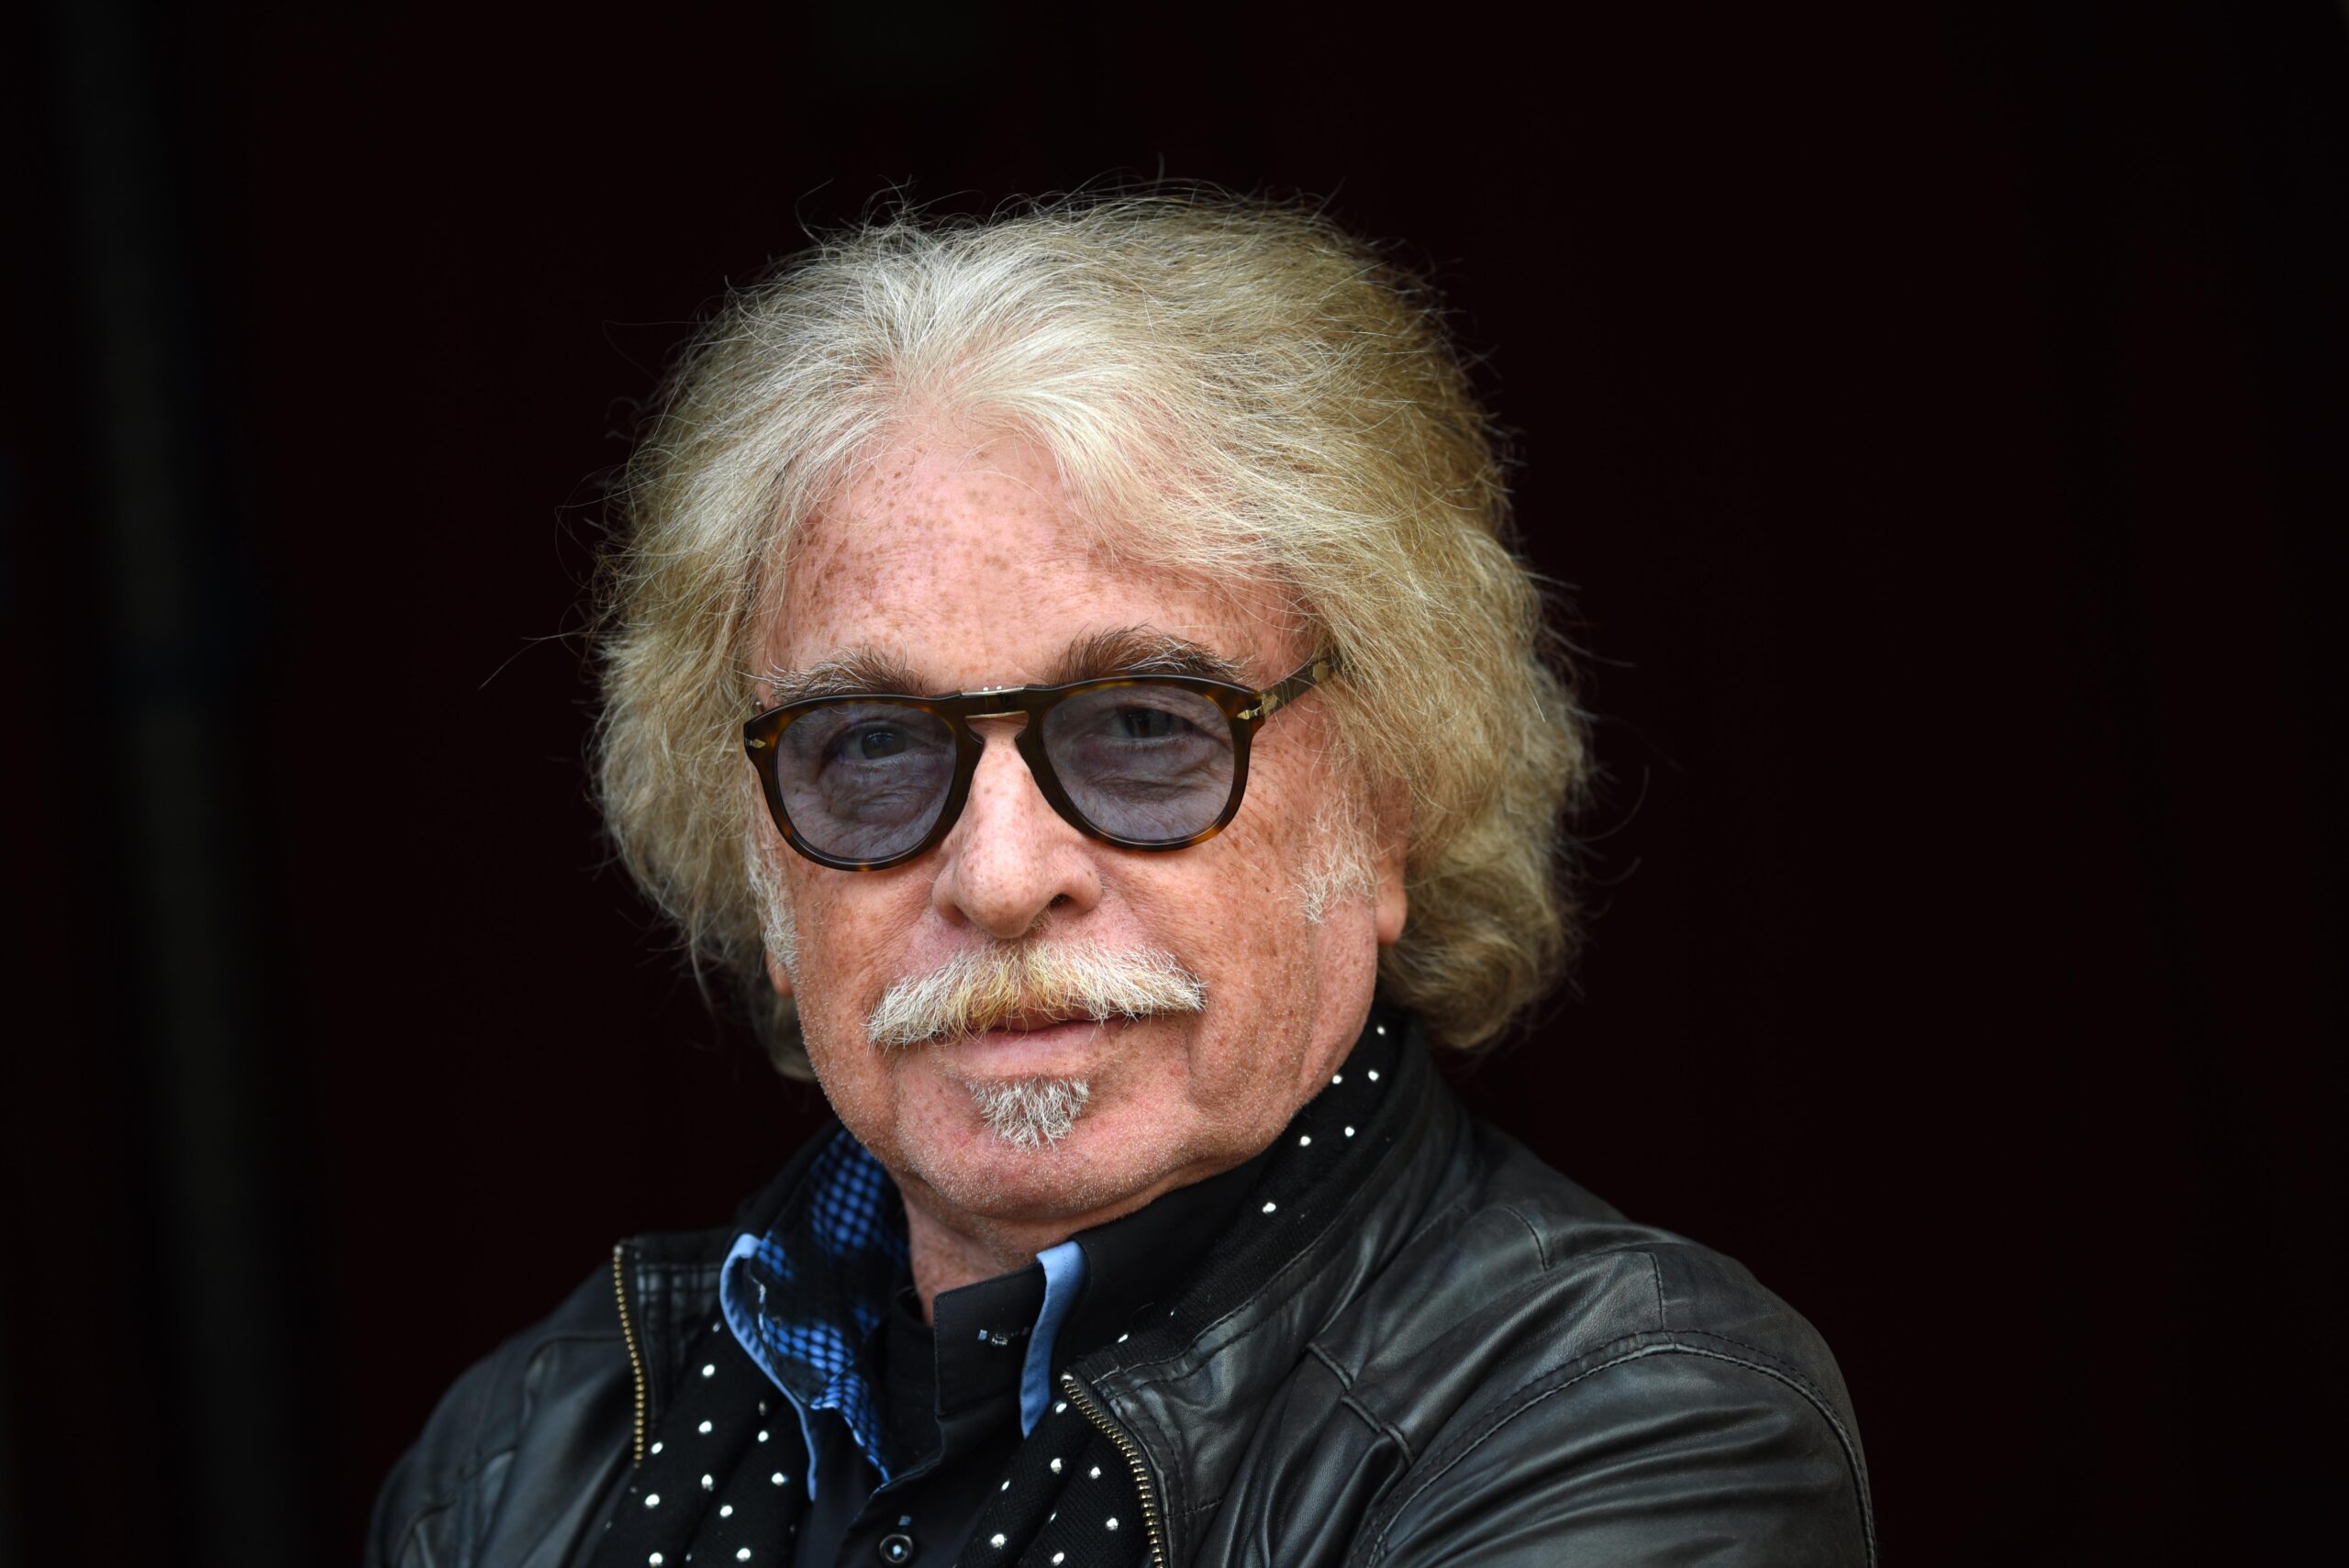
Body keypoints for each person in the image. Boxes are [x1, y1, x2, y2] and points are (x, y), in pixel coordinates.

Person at [369, 193, 1875, 1568]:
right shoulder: (520, 1463)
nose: (1002, 874)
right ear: (764, 875)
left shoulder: (1638, 1416)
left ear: (1388, 804)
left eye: (1146, 727)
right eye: (872, 744)